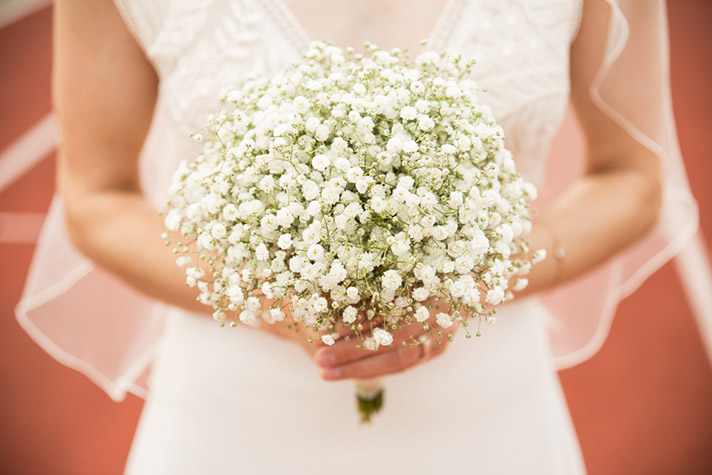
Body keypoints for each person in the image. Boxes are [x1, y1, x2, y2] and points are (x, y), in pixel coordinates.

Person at [17, 0, 697, 473]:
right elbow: (96, 197)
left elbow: (633, 177)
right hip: (237, 402)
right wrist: (270, 302)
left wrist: (475, 280)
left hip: (485, 393)